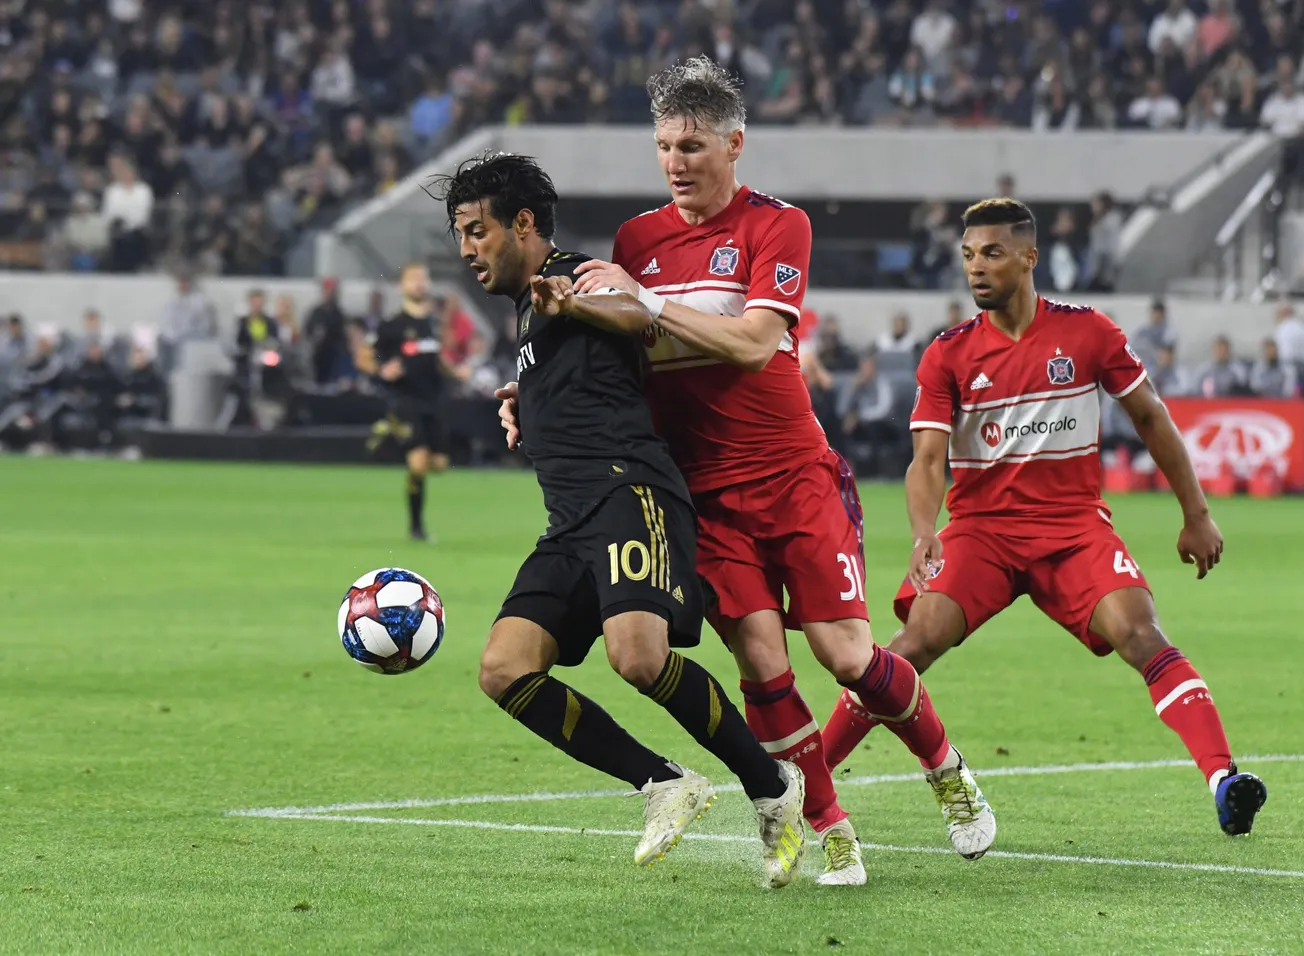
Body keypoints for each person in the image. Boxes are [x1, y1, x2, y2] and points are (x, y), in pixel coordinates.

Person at [559, 57, 996, 880]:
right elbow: (619, 362)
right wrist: (535, 389)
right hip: (701, 496)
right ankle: (830, 824)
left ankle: (946, 772)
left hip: (794, 477)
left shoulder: (777, 226)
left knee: (848, 655)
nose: (676, 161)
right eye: (663, 146)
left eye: (691, 144)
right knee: (760, 661)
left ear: (735, 143)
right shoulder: (636, 241)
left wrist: (647, 304)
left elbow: (759, 345)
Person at [820, 198, 1267, 837]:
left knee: (1142, 635)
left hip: (1072, 527)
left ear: (1029, 257)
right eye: (969, 255)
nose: (977, 268)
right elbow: (926, 459)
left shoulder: (1088, 332)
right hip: (981, 531)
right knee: (909, 646)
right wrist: (924, 532)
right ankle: (809, 781)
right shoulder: (946, 355)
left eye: (992, 253)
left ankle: (1224, 780)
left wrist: (1196, 513)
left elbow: (1150, 418)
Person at [437, 153, 806, 884]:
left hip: (629, 493)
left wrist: (573, 302)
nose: (466, 250)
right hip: (569, 520)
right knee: (504, 670)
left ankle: (773, 788)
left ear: (523, 224)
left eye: (477, 231)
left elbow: (634, 313)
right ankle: (663, 782)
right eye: (458, 235)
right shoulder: (530, 314)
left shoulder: (579, 277)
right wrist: (525, 399)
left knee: (637, 656)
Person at [354, 262, 458, 541]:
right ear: (402, 286)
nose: (419, 284)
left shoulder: (433, 323)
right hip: (405, 399)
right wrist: (380, 370)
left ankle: (388, 433)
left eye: (423, 279)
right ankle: (416, 528)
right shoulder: (392, 325)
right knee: (419, 464)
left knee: (439, 465)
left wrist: (456, 372)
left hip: (434, 400)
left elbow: (437, 358)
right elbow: (363, 356)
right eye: (413, 279)